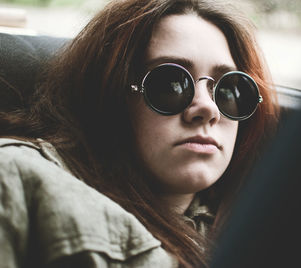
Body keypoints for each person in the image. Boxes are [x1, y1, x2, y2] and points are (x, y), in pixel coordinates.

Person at [0, 0, 279, 267]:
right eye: (170, 83)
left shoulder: (262, 219)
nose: (208, 108)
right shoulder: (17, 177)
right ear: (109, 93)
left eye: (229, 89)